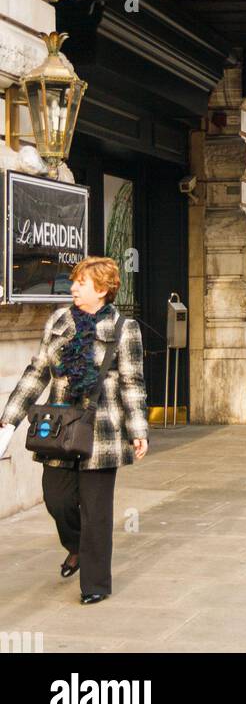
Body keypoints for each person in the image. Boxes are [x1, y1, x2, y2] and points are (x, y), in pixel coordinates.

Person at [0, 256, 148, 603]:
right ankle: (76, 546)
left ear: (102, 289)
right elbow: (37, 372)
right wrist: (9, 417)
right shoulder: (59, 321)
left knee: (96, 510)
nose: (74, 287)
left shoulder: (125, 329)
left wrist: (138, 429)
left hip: (103, 430)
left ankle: (95, 585)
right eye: (75, 281)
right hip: (61, 428)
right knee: (58, 499)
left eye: (81, 282)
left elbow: (132, 382)